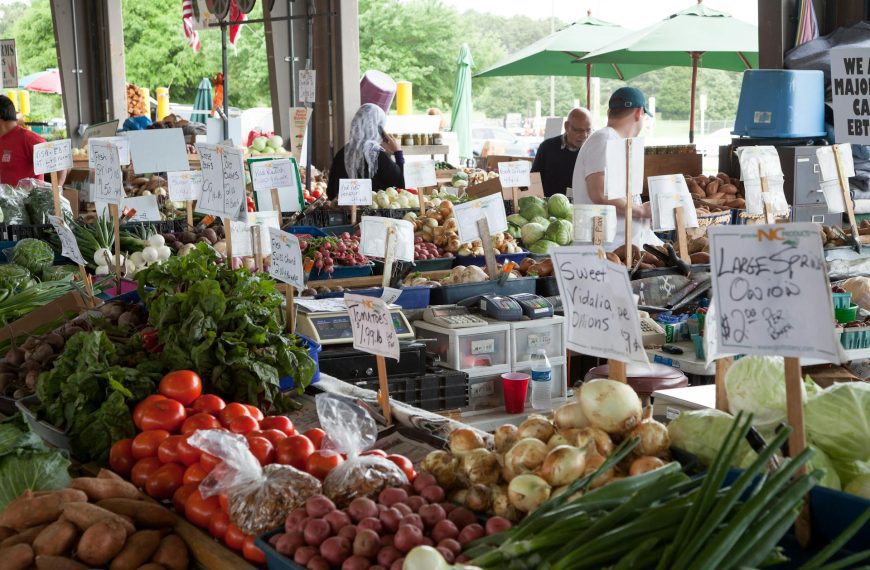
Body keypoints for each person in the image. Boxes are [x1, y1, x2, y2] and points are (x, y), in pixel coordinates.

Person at [571, 87, 658, 249]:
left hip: (620, 247)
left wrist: (641, 210)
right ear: (638, 113)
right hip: (605, 250)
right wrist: (640, 211)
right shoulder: (604, 139)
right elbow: (599, 193)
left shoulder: (613, 140)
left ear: (610, 112)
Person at [326, 103, 404, 199]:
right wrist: (398, 152)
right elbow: (401, 183)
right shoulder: (376, 154)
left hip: (342, 208)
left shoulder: (342, 153)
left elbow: (331, 192)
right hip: (372, 208)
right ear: (378, 128)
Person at [531, 107, 593, 197]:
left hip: (581, 204)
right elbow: (534, 180)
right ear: (566, 126)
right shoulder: (547, 147)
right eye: (577, 130)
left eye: (588, 130)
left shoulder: (592, 150)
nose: (584, 135)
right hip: (549, 203)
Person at [0, 94, 48, 186]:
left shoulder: (29, 139)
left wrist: (56, 189)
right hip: (6, 195)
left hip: (30, 195)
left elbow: (60, 164)